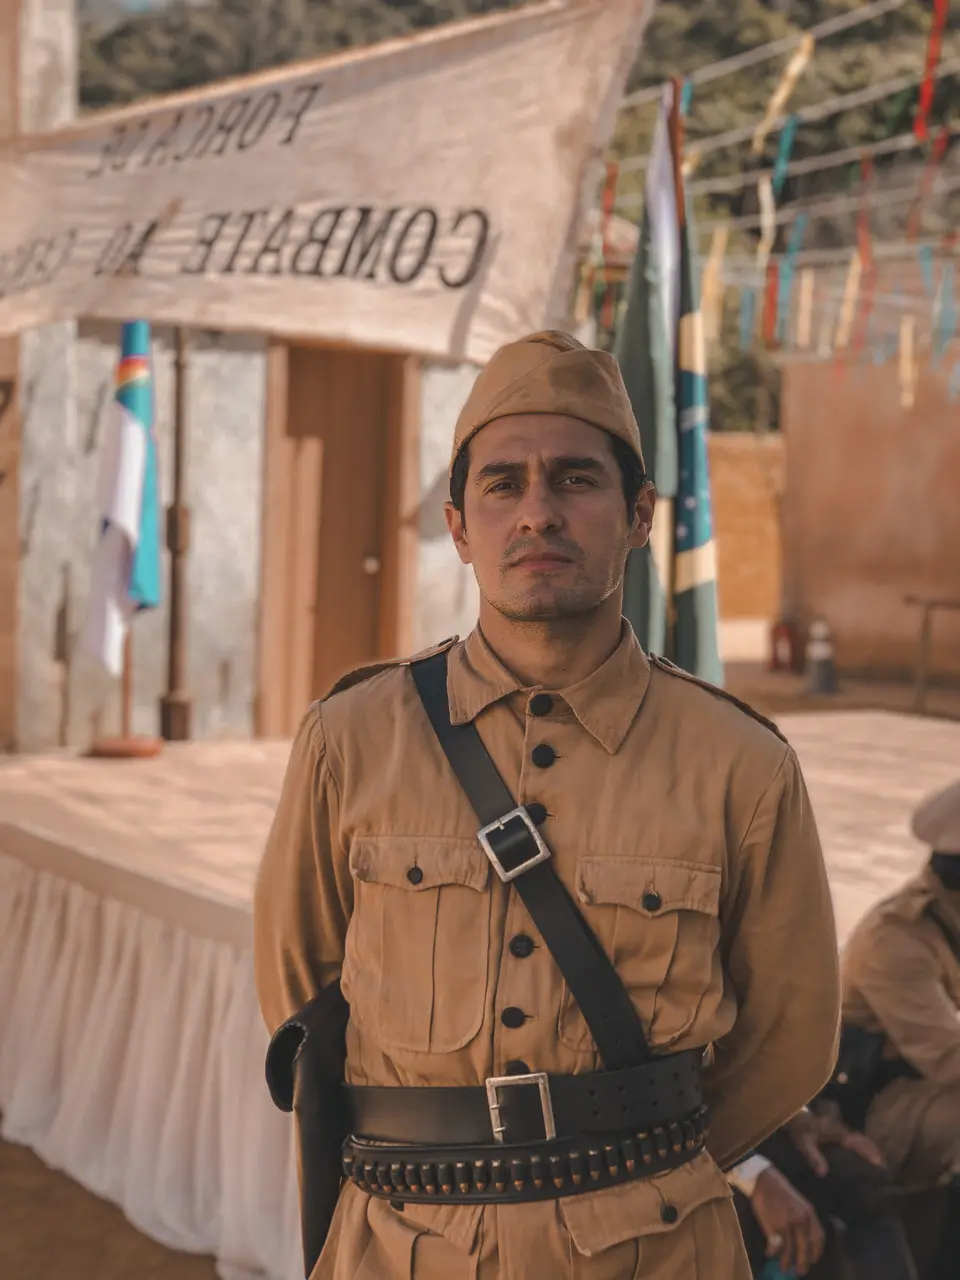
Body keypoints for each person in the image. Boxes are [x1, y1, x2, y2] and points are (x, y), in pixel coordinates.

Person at [253, 330, 840, 1280]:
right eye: (503, 484)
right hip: (405, 1246)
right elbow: (306, 990)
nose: (537, 513)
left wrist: (629, 1168)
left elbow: (791, 1036)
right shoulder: (351, 739)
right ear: (458, 526)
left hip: (652, 1252)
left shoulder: (742, 765)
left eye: (575, 480)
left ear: (639, 515)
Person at [841, 779, 960, 1280]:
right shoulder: (898, 936)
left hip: (924, 1087)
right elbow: (949, 1058)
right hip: (868, 1106)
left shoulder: (949, 916)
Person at [729, 1110, 917, 1279]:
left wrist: (800, 1118)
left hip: (748, 1131)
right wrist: (755, 1175)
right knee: (737, 1216)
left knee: (861, 1181)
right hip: (711, 1157)